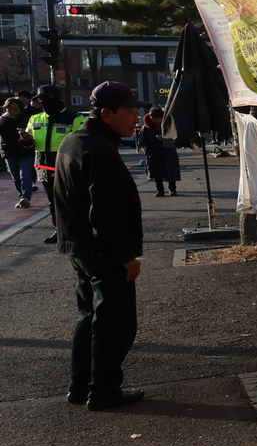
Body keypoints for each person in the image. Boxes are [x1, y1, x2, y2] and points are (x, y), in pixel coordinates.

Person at [54, 81, 150, 411]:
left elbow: (64, 202)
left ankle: (80, 387)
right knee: (115, 325)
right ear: (107, 114)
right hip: (102, 252)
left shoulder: (74, 140)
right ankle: (105, 391)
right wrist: (126, 258)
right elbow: (105, 214)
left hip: (78, 248)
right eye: (131, 112)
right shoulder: (99, 149)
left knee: (90, 319)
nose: (136, 119)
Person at [27, 84, 80, 243]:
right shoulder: (34, 118)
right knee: (53, 201)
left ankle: (76, 230)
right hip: (44, 166)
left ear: (57, 99)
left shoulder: (74, 118)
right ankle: (60, 231)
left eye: (45, 99)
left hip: (66, 165)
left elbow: (81, 143)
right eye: (39, 100)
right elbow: (28, 142)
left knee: (70, 200)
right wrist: (25, 140)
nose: (42, 103)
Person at [135, 107, 179, 196]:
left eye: (159, 119)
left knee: (170, 171)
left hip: (168, 150)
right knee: (157, 172)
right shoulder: (146, 128)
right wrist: (147, 150)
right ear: (152, 118)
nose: (158, 121)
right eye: (156, 119)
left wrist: (165, 139)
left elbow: (175, 136)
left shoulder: (168, 125)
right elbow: (142, 141)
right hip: (154, 152)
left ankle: (172, 189)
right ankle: (160, 190)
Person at [1, 96, 36, 207]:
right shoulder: (3, 121)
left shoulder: (26, 119)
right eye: (9, 109)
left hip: (26, 152)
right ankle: (21, 197)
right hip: (9, 152)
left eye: (15, 109)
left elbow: (33, 134)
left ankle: (26, 197)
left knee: (24, 175)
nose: (12, 111)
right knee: (16, 177)